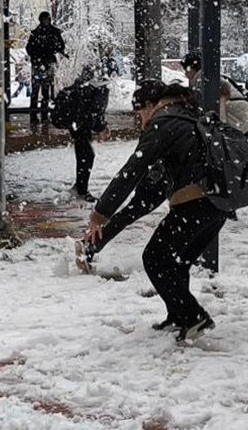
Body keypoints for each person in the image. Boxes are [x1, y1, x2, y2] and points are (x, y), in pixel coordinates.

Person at [84, 81, 225, 342]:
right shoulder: (190, 115)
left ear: (150, 105)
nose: (141, 119)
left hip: (195, 203)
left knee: (155, 259)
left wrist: (100, 214)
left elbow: (132, 171)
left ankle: (194, 317)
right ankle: (179, 315)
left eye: (140, 112)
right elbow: (153, 187)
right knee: (177, 261)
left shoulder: (164, 123)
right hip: (217, 205)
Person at [181, 52, 248, 223]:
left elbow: (220, 100)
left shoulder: (205, 78)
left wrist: (221, 127)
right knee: (235, 166)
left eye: (186, 69)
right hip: (243, 119)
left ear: (192, 67)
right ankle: (247, 206)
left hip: (237, 122)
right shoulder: (208, 75)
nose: (185, 74)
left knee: (233, 166)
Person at [56, 64, 110, 202]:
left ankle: (80, 187)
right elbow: (96, 111)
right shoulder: (100, 87)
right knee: (86, 156)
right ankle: (81, 189)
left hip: (75, 122)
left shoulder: (80, 85)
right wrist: (101, 128)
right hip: (82, 123)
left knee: (83, 153)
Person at [25, 11, 66, 125]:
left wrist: (50, 51)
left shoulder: (52, 32)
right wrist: (38, 56)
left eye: (46, 19)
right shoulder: (36, 33)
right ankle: (34, 115)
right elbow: (29, 48)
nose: (45, 22)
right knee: (36, 90)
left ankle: (43, 115)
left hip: (46, 63)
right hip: (39, 63)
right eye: (43, 19)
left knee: (45, 91)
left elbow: (61, 46)